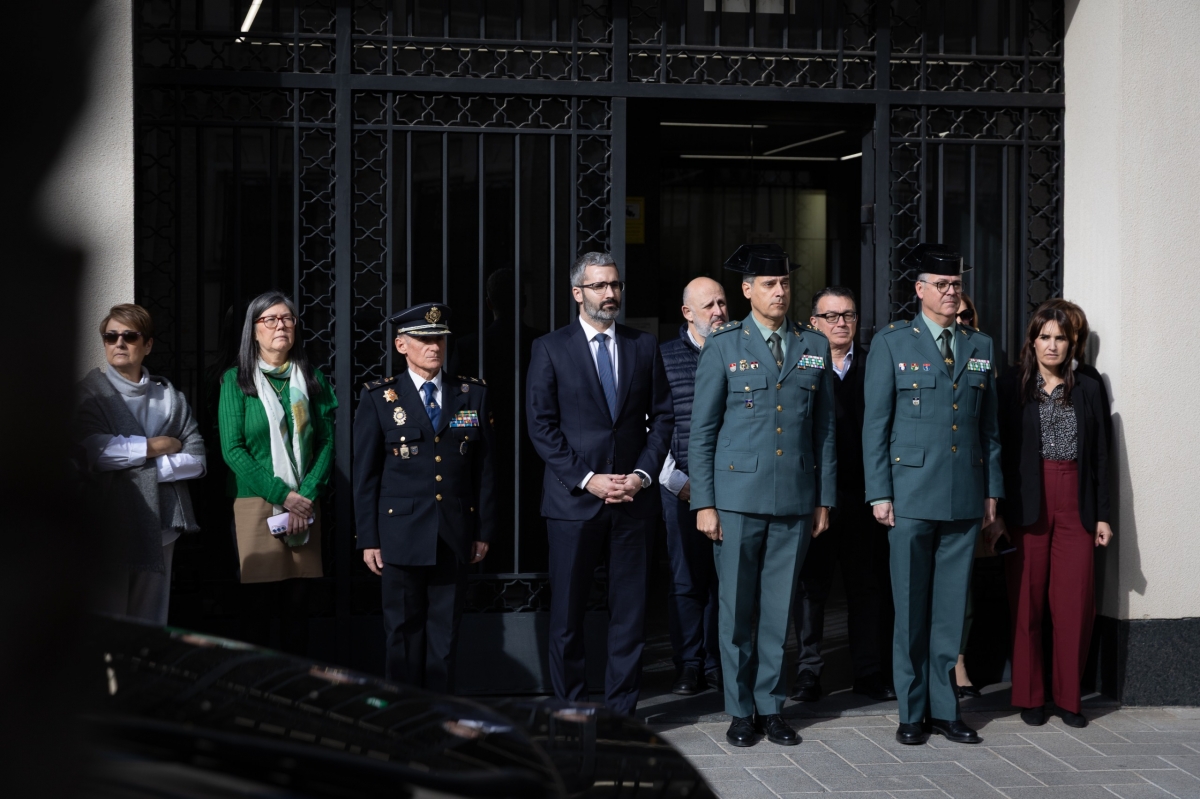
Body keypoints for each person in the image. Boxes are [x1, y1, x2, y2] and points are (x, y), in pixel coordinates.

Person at [689, 243, 836, 748]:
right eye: (769, 284)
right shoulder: (725, 345)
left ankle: (771, 707)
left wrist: (825, 498)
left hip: (795, 497)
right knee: (736, 612)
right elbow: (702, 431)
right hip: (735, 498)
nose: (780, 292)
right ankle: (738, 710)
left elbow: (826, 431)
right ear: (747, 291)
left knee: (778, 612)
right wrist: (704, 503)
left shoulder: (812, 344)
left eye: (785, 283)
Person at [862, 243, 1003, 746]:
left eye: (956, 284)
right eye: (941, 285)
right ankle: (911, 709)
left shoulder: (980, 345)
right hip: (910, 494)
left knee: (949, 610)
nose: (950, 292)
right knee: (911, 607)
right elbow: (875, 425)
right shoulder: (894, 342)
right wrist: (879, 492)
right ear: (919, 290)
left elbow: (989, 429)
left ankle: (946, 709)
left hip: (964, 493)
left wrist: (992, 492)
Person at [525, 252, 674, 715]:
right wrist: (587, 479)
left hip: (632, 501)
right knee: (568, 616)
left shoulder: (643, 345)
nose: (610, 294)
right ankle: (571, 711)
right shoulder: (550, 348)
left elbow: (663, 417)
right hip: (574, 503)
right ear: (577, 293)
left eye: (615, 285)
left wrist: (642, 476)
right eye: (599, 286)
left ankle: (622, 712)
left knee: (629, 616)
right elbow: (541, 425)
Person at [353, 302, 496, 692]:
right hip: (400, 534)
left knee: (444, 636)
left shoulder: (471, 395)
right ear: (402, 345)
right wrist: (368, 538)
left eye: (439, 339)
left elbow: (484, 469)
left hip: (453, 531)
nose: (433, 346)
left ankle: (438, 716)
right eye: (423, 339)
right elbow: (366, 476)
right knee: (401, 633)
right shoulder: (380, 398)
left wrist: (481, 529)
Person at [989, 303, 1112, 728]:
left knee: (1074, 603)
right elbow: (999, 452)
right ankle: (1030, 696)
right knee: (1027, 604)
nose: (1052, 345)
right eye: (1045, 337)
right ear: (1033, 341)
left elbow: (1102, 456)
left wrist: (1103, 516)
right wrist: (999, 511)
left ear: (1071, 343)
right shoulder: (1012, 387)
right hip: (1027, 502)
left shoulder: (1089, 388)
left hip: (1076, 501)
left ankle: (1068, 698)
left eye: (1060, 337)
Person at [791, 287, 896, 704]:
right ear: (813, 322)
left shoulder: (876, 366)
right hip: (814, 497)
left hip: (864, 496)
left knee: (866, 588)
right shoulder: (800, 364)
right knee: (811, 590)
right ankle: (807, 673)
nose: (840, 323)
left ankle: (869, 672)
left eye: (848, 315)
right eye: (831, 316)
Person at [218, 291, 336, 653]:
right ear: (253, 331)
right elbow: (232, 449)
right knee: (256, 608)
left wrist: (306, 496)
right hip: (255, 503)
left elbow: (327, 442)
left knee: (298, 607)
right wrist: (283, 496)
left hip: (305, 503)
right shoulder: (236, 381)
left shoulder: (312, 379)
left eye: (287, 319)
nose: (280, 326)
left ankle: (295, 691)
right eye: (270, 320)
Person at [77, 303, 207, 624]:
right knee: (108, 624)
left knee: (150, 624)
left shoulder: (170, 399)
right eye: (111, 337)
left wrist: (132, 464)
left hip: (161, 529)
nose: (119, 343)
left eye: (129, 336)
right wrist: (158, 446)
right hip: (109, 526)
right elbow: (93, 453)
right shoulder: (90, 395)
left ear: (147, 344)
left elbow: (198, 460)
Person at [659, 276, 728, 695]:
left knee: (726, 581)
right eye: (709, 306)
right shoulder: (662, 358)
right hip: (679, 488)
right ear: (687, 313)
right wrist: (678, 482)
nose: (719, 312)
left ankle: (719, 663)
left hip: (732, 490)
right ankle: (688, 664)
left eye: (722, 303)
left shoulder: (740, 352)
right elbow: (652, 426)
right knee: (687, 580)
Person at [954, 291, 984, 699]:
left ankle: (958, 660)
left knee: (963, 588)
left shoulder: (984, 356)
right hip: (924, 489)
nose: (959, 320)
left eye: (967, 315)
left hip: (971, 488)